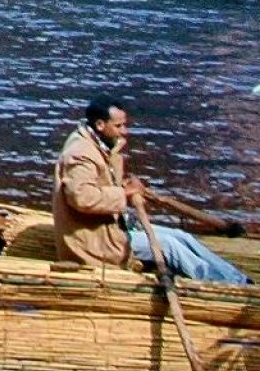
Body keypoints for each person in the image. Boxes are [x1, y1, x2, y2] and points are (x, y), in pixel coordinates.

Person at [53, 97, 249, 284]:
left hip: (111, 228)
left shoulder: (101, 144)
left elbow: (100, 185)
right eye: (119, 126)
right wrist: (125, 193)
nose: (125, 132)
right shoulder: (80, 154)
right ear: (100, 125)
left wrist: (123, 186)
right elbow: (82, 198)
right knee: (169, 247)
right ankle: (224, 286)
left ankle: (238, 280)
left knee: (181, 236)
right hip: (95, 242)